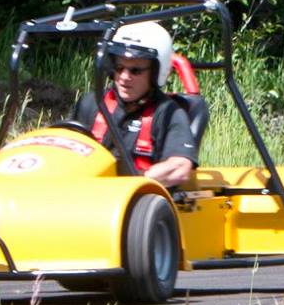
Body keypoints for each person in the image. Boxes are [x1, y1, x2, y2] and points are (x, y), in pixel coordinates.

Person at [70, 20, 198, 186]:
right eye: (119, 68)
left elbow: (179, 167)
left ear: (155, 72)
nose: (124, 77)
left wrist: (137, 182)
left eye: (135, 71)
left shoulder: (169, 113)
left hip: (137, 201)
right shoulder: (91, 103)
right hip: (86, 194)